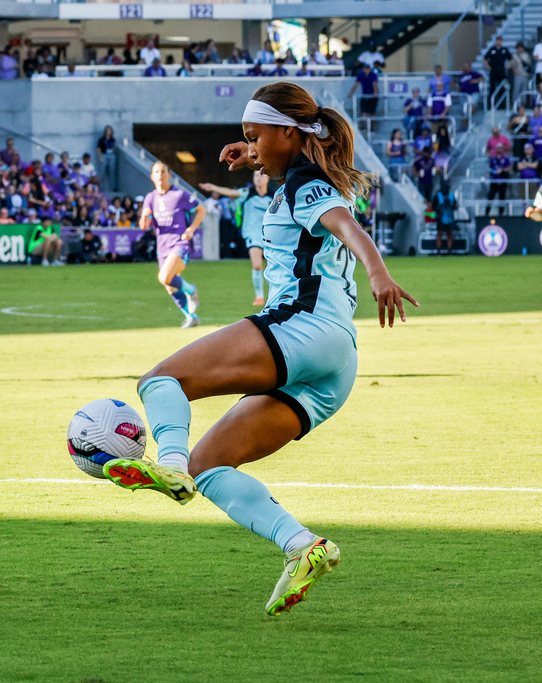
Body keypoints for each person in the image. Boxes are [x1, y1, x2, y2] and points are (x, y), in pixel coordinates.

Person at [99, 82, 417, 616]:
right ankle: (303, 547)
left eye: (255, 135)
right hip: (335, 363)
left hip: (302, 327)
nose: (249, 146)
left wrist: (380, 271)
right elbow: (299, 180)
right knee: (211, 465)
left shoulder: (308, 184)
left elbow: (346, 226)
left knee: (160, 381)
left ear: (288, 132)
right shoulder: (303, 174)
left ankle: (168, 466)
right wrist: (254, 155)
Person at [140, 161, 205, 328]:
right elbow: (144, 227)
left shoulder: (179, 195)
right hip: (162, 247)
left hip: (179, 243)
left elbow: (201, 210)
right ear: (152, 177)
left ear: (169, 175)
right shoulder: (150, 198)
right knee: (169, 286)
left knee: (164, 277)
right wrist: (145, 216)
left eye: (163, 171)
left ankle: (191, 290)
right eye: (157, 172)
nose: (160, 175)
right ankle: (191, 317)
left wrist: (191, 229)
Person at [201, 170, 273, 306]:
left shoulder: (273, 196)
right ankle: (259, 297)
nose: (259, 178)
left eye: (262, 175)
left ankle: (274, 296)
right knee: (257, 265)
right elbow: (230, 192)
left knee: (272, 268)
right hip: (252, 234)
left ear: (268, 178)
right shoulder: (247, 193)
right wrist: (213, 188)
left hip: (270, 234)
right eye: (256, 176)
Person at [431, 180, 458, 255]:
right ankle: (438, 250)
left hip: (449, 217)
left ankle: (449, 250)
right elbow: (433, 206)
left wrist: (452, 206)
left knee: (449, 234)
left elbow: (456, 206)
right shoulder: (438, 195)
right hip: (441, 218)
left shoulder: (451, 196)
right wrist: (438, 208)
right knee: (440, 233)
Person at [483, 36, 512, 105]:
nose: (498, 42)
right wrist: (489, 68)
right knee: (492, 87)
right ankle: (490, 104)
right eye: (497, 41)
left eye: (500, 41)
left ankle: (501, 105)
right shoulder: (492, 49)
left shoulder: (504, 50)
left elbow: (511, 58)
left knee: (502, 88)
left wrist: (508, 66)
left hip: (501, 71)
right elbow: (485, 59)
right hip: (493, 71)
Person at [97, 125, 117, 193]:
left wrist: (114, 154)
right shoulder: (102, 139)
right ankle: (101, 187)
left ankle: (113, 187)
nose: (108, 132)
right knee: (102, 172)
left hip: (111, 155)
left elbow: (114, 147)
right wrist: (100, 157)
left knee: (112, 171)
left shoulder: (112, 139)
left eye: (110, 130)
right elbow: (99, 149)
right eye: (107, 130)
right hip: (104, 155)